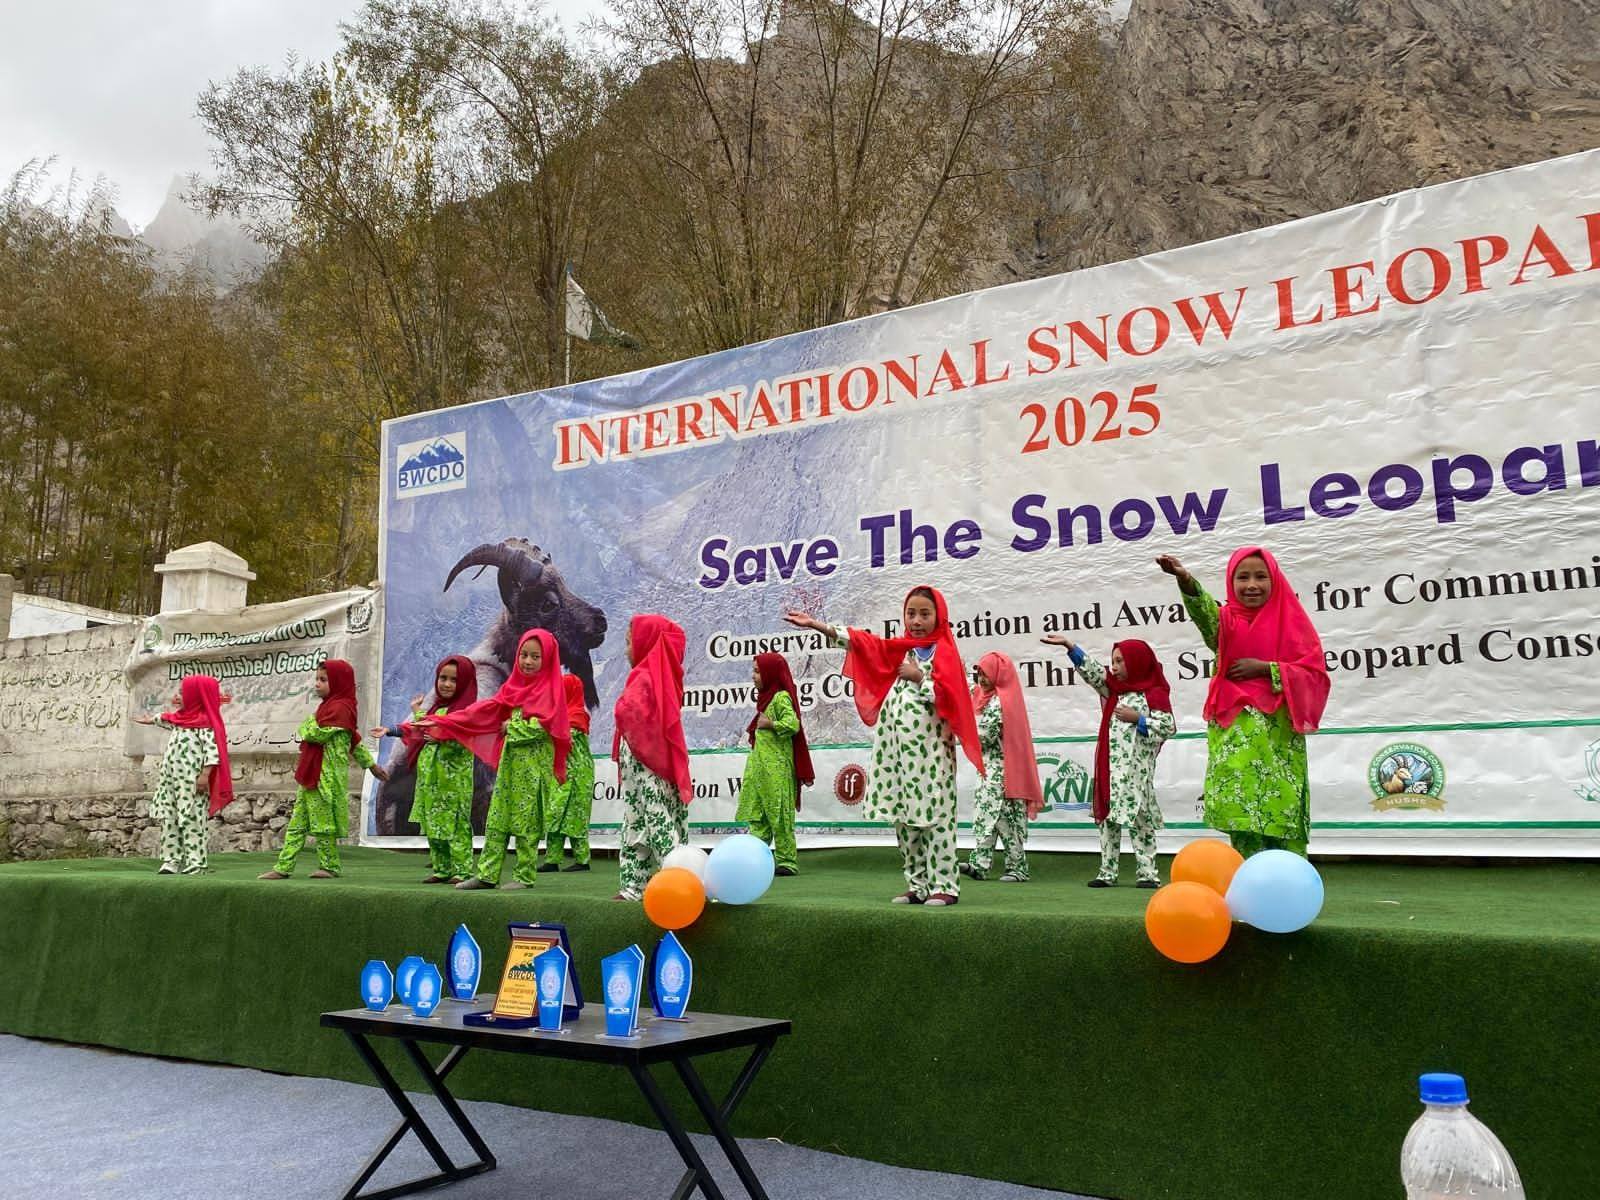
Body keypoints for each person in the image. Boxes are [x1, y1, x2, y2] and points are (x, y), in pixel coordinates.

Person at [786, 587, 983, 907]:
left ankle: (944, 885)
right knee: (904, 820)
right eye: (911, 613)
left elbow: (955, 702)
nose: (917, 621)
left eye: (925, 614)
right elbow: (861, 643)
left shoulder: (943, 652)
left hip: (932, 755)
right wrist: (818, 625)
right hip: (895, 754)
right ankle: (918, 885)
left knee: (934, 819)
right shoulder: (898, 649)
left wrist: (921, 678)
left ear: (939, 617)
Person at [1157, 547, 1331, 856]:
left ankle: (1289, 885)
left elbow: (1314, 673)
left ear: (1275, 580)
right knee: (1243, 812)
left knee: (1283, 807)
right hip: (1234, 727)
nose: (1252, 585)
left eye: (1261, 576)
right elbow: (1204, 613)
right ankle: (1249, 885)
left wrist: (1267, 668)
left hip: (1279, 734)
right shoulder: (1226, 623)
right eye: (1243, 577)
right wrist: (1185, 579)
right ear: (1231, 581)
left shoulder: (1293, 623)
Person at [420, 629, 570, 891]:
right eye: (524, 654)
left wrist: (511, 726)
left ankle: (524, 876)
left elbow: (544, 728)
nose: (528, 661)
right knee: (497, 820)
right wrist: (446, 721)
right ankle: (488, 874)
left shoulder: (550, 692)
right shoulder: (513, 688)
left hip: (533, 772)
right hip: (509, 768)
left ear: (548, 660)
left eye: (536, 656)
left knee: (526, 824)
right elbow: (484, 711)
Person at [1042, 636, 1176, 887]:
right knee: (1107, 820)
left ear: (1136, 662)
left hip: (1137, 774)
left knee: (1141, 820)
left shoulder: (1154, 693)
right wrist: (1071, 647)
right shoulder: (1113, 688)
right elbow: (1093, 672)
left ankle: (1147, 873)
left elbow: (1169, 726)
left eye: (1119, 660)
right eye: (1112, 660)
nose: (1113, 666)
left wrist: (1138, 718)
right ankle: (1107, 872)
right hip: (1109, 769)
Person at [260, 660, 387, 880]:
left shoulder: (341, 709)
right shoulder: (328, 707)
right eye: (317, 679)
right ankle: (283, 867)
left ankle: (329, 866)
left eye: (323, 680)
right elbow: (355, 741)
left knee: (323, 825)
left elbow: (315, 734)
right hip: (313, 776)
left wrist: (307, 723)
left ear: (338, 682)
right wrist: (372, 765)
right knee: (297, 824)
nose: (317, 684)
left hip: (325, 778)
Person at [372, 655, 477, 883]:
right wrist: (391, 730)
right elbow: (419, 729)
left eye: (454, 680)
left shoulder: (467, 713)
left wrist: (442, 737)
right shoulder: (438, 708)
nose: (447, 684)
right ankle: (442, 869)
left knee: (456, 826)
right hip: (431, 782)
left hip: (453, 785)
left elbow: (463, 739)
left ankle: (462, 870)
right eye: (443, 678)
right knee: (432, 824)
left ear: (466, 683)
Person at [613, 614, 693, 902]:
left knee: (655, 820)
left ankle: (678, 881)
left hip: (645, 761)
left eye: (628, 642)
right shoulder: (660, 675)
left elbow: (627, 712)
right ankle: (638, 886)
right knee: (643, 819)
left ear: (645, 642)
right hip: (650, 760)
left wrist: (621, 706)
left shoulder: (645, 675)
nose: (626, 650)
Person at [135, 674, 233, 875]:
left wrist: (204, 776)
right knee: (169, 818)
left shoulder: (205, 724)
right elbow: (166, 718)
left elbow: (212, 754)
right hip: (170, 782)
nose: (178, 695)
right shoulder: (182, 719)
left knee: (191, 819)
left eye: (183, 692)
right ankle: (171, 860)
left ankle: (196, 862)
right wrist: (151, 720)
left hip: (192, 784)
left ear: (197, 696)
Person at [961, 652, 1043, 883]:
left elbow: (984, 736)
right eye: (980, 674)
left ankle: (1017, 868)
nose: (982, 679)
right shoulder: (986, 696)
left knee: (1006, 821)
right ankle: (980, 864)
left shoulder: (1001, 702)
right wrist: (957, 669)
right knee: (986, 816)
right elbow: (970, 689)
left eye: (987, 674)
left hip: (1004, 773)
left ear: (999, 675)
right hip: (988, 771)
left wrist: (960, 725)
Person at [735, 652, 814, 877]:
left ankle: (787, 861)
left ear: (771, 674)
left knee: (779, 815)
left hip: (778, 770)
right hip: (760, 769)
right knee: (758, 815)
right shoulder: (765, 699)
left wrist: (771, 723)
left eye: (758, 671)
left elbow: (793, 724)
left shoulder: (780, 697)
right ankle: (755, 858)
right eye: (753, 671)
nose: (753, 676)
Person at [541, 672, 595, 872]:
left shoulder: (577, 716)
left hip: (577, 775)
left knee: (575, 817)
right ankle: (552, 860)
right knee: (555, 814)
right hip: (561, 773)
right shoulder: (561, 716)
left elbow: (567, 740)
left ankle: (582, 860)